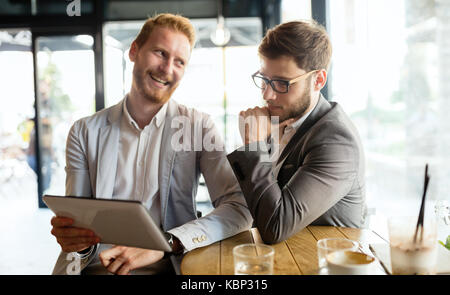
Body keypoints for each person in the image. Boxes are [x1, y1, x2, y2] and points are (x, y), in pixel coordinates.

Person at [50, 13, 252, 275]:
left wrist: (168, 242)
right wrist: (76, 241)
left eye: (179, 62)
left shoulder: (198, 126)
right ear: (134, 50)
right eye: (160, 53)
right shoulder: (84, 131)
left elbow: (238, 208)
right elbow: (78, 226)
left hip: (170, 266)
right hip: (97, 268)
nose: (167, 69)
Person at [227, 20, 366, 244]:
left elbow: (275, 227)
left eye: (282, 83)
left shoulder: (336, 141)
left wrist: (253, 147)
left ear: (318, 80)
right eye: (264, 79)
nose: (267, 95)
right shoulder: (283, 122)